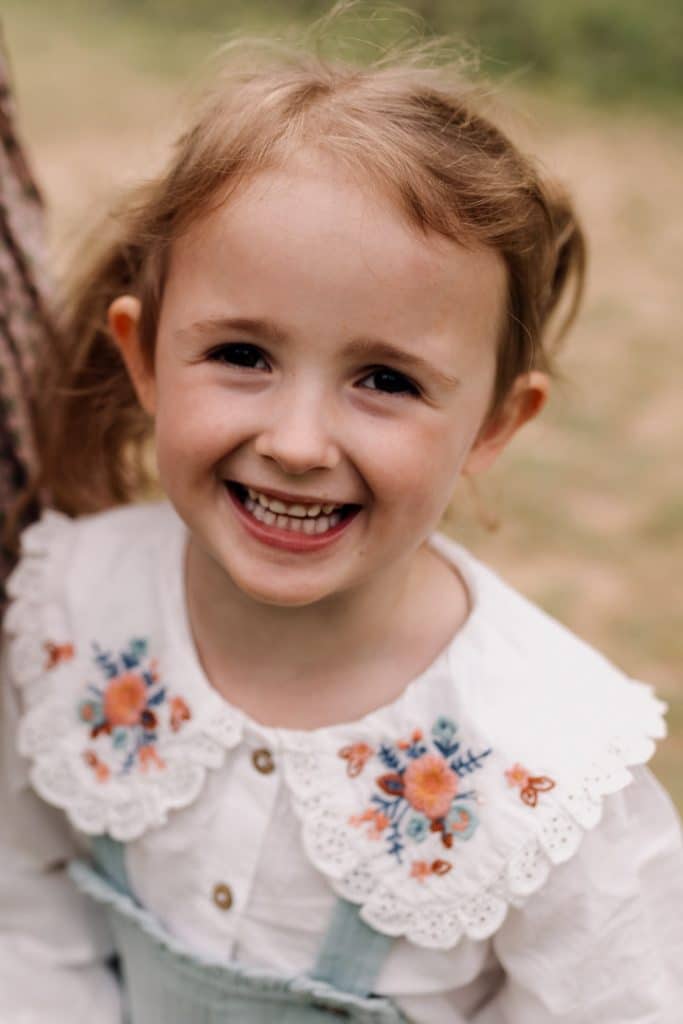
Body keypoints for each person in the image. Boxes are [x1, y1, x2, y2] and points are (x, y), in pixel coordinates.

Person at [1, 40, 682, 1024]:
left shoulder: (551, 765)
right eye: (241, 353)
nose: (295, 441)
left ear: (494, 422)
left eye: (385, 381)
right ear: (143, 357)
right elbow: (28, 900)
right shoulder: (71, 609)